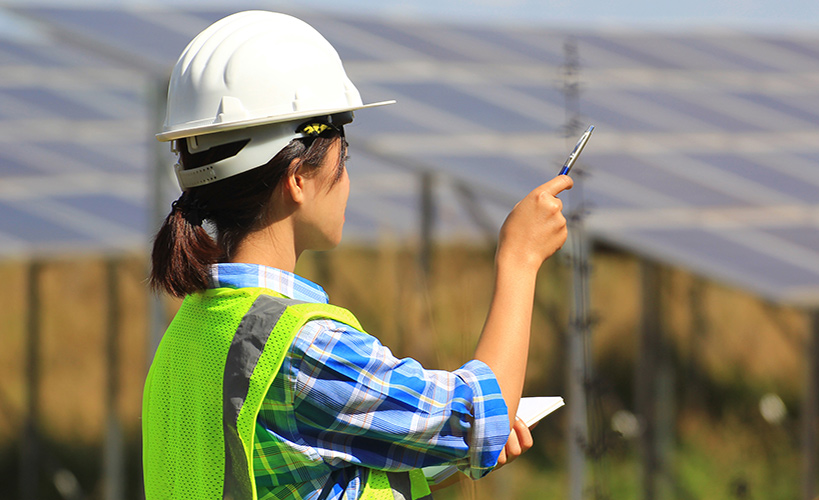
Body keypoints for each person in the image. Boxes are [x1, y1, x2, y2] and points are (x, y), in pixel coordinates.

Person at [141, 10, 573, 500]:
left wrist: (444, 456)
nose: (347, 179)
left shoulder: (191, 336)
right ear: (298, 179)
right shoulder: (302, 347)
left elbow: (293, 469)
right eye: (343, 158)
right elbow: (479, 418)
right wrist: (519, 259)